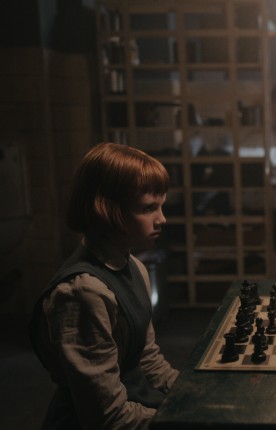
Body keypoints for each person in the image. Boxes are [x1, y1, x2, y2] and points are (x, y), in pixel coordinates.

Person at [29, 142, 179, 429]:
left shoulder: (134, 267)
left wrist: (192, 394)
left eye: (161, 206)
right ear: (108, 210)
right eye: (149, 208)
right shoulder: (82, 292)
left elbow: (147, 359)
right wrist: (184, 419)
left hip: (137, 405)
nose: (162, 219)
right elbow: (107, 417)